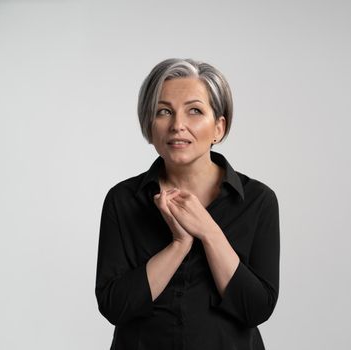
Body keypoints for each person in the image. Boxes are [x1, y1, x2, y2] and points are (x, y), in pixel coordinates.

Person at [95, 58, 280, 350]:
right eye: (164, 112)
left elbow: (255, 310)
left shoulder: (258, 201)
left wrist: (209, 232)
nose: (178, 125)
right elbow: (115, 307)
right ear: (150, 125)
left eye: (194, 111)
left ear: (219, 127)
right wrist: (179, 244)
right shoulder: (123, 200)